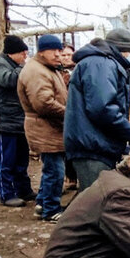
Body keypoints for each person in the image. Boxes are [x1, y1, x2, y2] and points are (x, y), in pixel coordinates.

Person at [64, 29, 130, 191]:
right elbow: (102, 108)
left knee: (95, 199)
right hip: (92, 147)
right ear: (122, 50)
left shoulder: (101, 64)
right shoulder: (101, 64)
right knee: (96, 202)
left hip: (95, 145)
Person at [17, 35, 68, 222]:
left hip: (50, 127)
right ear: (41, 51)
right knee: (55, 171)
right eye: (53, 50)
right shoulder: (36, 71)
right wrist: (69, 112)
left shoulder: (46, 68)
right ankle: (51, 210)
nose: (58, 54)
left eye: (59, 50)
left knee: (51, 169)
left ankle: (42, 203)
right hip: (44, 128)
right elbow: (44, 103)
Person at [0, 35, 34, 207]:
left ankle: (24, 191)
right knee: (6, 161)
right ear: (13, 53)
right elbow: (9, 80)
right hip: (4, 122)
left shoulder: (13, 64)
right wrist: (22, 67)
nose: (25, 57)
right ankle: (7, 194)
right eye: (23, 54)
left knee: (21, 160)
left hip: (19, 120)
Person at [59, 42, 78, 191]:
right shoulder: (56, 71)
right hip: (60, 114)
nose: (66, 58)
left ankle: (75, 176)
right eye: (63, 54)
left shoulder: (79, 69)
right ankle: (68, 178)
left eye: (69, 54)